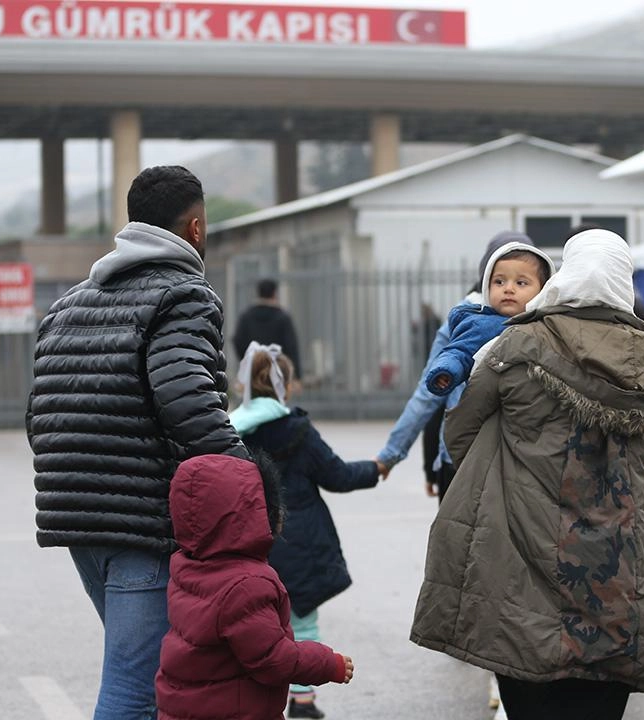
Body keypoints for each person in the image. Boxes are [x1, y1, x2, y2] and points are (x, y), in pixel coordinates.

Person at [411, 228, 644, 719]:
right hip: (616, 562)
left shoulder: (517, 343)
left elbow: (460, 433)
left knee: (528, 686)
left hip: (519, 543)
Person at [26, 165, 248, 719]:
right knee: (137, 686)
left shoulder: (71, 301)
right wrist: (248, 476)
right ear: (195, 228)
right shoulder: (184, 294)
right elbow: (186, 398)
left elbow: (38, 414)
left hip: (76, 514)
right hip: (143, 522)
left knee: (146, 673)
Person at [229, 342, 380, 718]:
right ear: (289, 385)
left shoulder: (228, 433)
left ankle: (254, 693)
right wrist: (376, 469)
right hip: (302, 539)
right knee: (302, 620)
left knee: (251, 622)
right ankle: (302, 699)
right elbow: (338, 475)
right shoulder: (298, 430)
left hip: (250, 542)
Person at [156, 453, 354, 720]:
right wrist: (328, 664)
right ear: (250, 513)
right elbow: (274, 659)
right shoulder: (246, 586)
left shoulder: (187, 567)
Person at [374, 231, 548, 501]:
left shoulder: (545, 322)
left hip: (489, 454)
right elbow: (433, 388)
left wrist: (395, 455)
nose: (510, 288)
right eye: (501, 279)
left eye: (522, 280)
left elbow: (427, 399)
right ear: (488, 276)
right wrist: (391, 454)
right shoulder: (468, 322)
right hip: (478, 454)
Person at [424, 241, 553, 394]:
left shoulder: (550, 323)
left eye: (521, 283)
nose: (508, 289)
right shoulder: (481, 324)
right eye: (499, 281)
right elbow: (458, 352)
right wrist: (447, 370)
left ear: (543, 290)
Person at [234, 278, 301, 376]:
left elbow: (238, 340)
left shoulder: (247, 317)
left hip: (254, 371)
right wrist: (296, 375)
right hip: (279, 372)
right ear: (274, 293)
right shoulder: (283, 318)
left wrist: (248, 359)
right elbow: (291, 346)